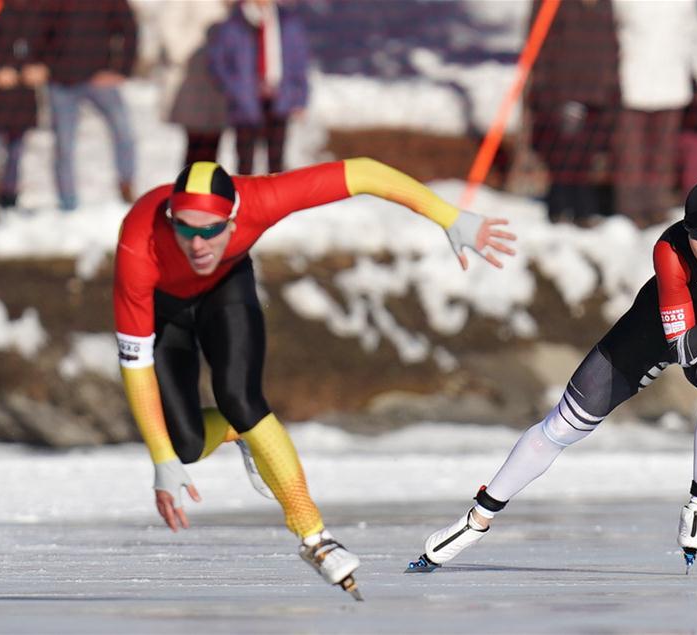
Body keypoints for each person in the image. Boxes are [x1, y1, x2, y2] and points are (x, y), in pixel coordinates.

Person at [414, 44, 697, 574]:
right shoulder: (669, 250)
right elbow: (682, 348)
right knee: (560, 429)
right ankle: (476, 518)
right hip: (650, 334)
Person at [113, 157, 516, 599]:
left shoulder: (262, 199)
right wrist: (161, 458)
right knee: (183, 448)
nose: (197, 244)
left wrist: (449, 215)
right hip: (164, 309)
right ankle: (240, 435)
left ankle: (316, 540)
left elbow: (363, 173)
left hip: (225, 292)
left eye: (210, 230)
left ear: (234, 217)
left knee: (241, 400)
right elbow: (136, 368)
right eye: (185, 229)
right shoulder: (139, 242)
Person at [36, 0, 138, 211]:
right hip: (60, 81)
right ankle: (68, 202)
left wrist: (122, 69)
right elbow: (35, 29)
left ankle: (126, 185)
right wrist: (42, 64)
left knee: (123, 131)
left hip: (99, 77)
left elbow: (129, 28)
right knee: (64, 143)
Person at [527, 0, 620, 226]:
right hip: (562, 87)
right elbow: (538, 42)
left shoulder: (606, 5)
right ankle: (562, 207)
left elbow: (612, 42)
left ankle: (581, 208)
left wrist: (611, 84)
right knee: (564, 151)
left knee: (587, 153)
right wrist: (542, 88)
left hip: (598, 90)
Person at [610, 0, 697, 227]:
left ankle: (658, 205)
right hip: (632, 80)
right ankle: (631, 209)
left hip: (670, 80)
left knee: (663, 152)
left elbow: (687, 34)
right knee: (632, 151)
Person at [208, 0, 309, 175]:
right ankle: (244, 201)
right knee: (245, 163)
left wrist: (299, 95)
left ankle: (277, 202)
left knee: (276, 163)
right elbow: (218, 62)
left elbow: (299, 61)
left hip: (279, 98)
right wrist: (236, 89)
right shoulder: (234, 23)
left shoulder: (288, 22)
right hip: (245, 101)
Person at [147, 0, 229, 166]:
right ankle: (190, 188)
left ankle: (208, 188)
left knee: (213, 141)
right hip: (192, 78)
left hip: (221, 80)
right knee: (197, 142)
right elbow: (168, 27)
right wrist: (189, 56)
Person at [0, 0, 46, 212]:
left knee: (16, 151)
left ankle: (9, 199)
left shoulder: (37, 9)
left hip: (23, 93)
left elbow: (51, 41)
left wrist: (41, 67)